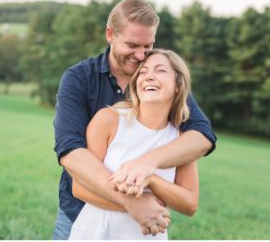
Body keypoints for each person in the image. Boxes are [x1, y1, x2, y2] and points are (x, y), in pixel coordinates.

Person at [53, 0, 216, 239]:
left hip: (145, 226)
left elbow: (203, 136)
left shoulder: (158, 83)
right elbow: (71, 151)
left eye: (148, 46)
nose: (141, 56)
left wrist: (148, 164)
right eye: (132, 45)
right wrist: (133, 203)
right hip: (80, 213)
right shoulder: (80, 79)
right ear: (110, 34)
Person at [69, 48, 198, 239]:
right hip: (96, 233)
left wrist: (151, 179)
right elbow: (79, 188)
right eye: (143, 72)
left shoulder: (181, 139)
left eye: (160, 71)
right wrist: (137, 205)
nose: (149, 77)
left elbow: (189, 204)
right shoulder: (109, 119)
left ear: (178, 84)